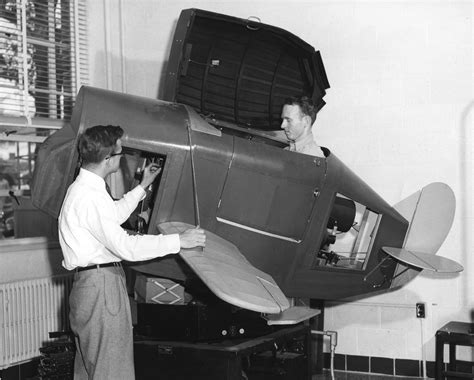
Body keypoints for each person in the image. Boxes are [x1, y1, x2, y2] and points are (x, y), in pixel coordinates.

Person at [58, 125, 206, 379]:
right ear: (107, 160)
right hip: (101, 288)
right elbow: (127, 247)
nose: (122, 155)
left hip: (89, 286)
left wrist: (143, 186)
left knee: (90, 371)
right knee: (112, 372)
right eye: (119, 152)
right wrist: (179, 241)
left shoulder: (84, 189)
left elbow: (111, 217)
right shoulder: (89, 197)